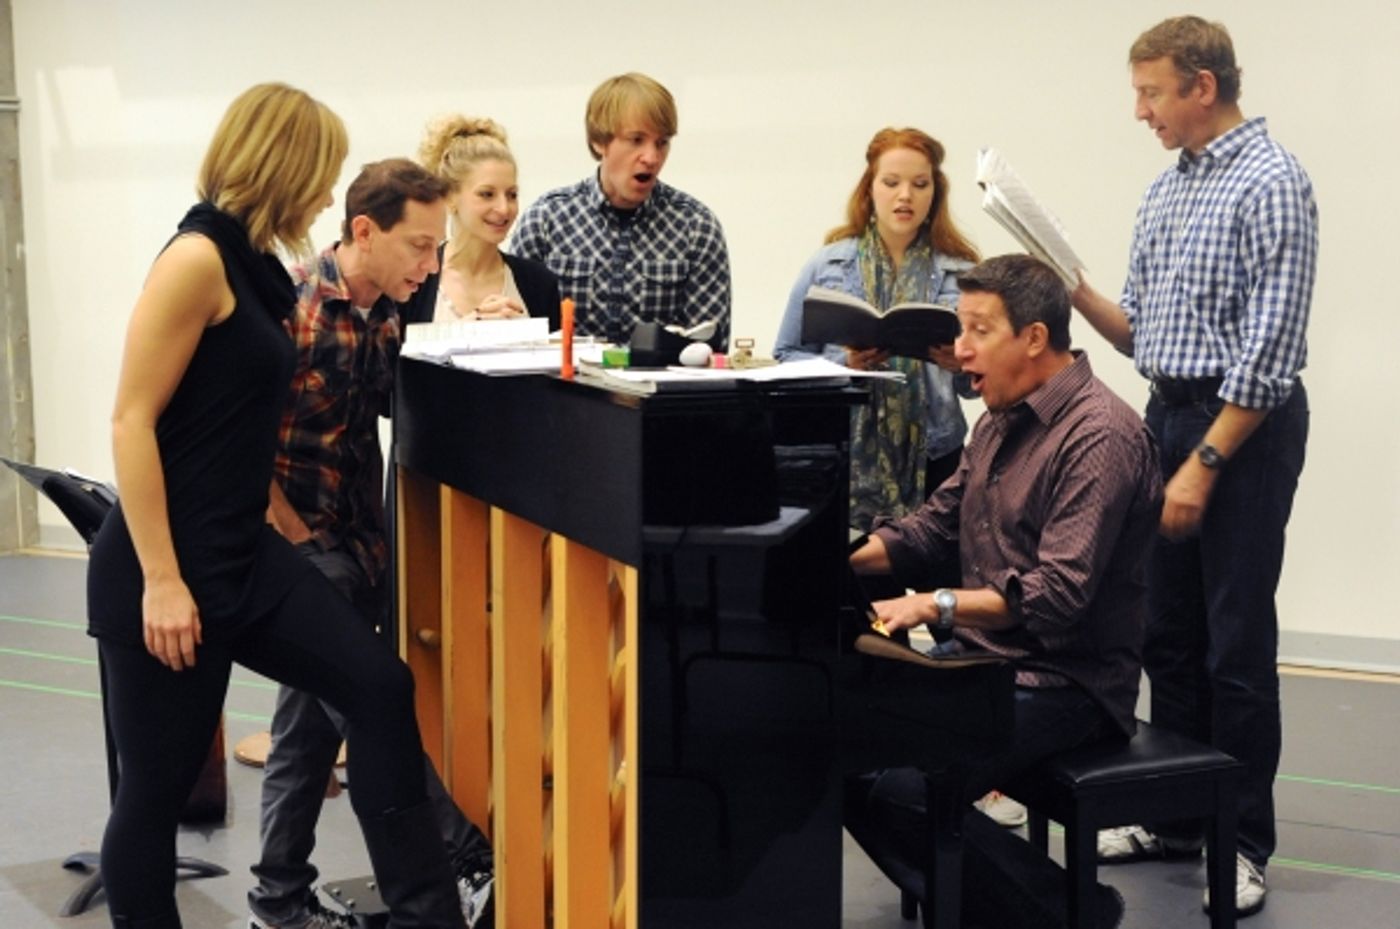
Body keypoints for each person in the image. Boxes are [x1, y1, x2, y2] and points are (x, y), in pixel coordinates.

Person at [85, 84, 465, 929]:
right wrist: (161, 581)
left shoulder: (255, 266)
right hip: (169, 567)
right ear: (281, 164)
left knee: (378, 686)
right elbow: (130, 420)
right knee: (152, 798)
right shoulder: (195, 259)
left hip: (243, 555)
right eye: (322, 173)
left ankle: (428, 914)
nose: (330, 194)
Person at [1070, 16, 1317, 918]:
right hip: (1168, 413)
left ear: (1201, 86)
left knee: (1235, 645)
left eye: (1151, 93)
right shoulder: (1167, 190)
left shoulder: (1272, 183)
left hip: (1238, 431)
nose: (1140, 111)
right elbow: (1144, 332)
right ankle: (1177, 814)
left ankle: (1244, 839)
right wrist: (1072, 284)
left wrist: (1206, 460)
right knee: (1166, 632)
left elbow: (1272, 349)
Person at [845, 254, 1161, 928]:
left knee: (902, 784)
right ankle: (1005, 904)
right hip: (985, 661)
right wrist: (842, 558)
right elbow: (934, 526)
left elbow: (1058, 594)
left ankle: (1071, 912)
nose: (958, 351)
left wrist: (933, 603)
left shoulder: (1100, 435)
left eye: (977, 331)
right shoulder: (997, 419)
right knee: (844, 749)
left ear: (1035, 338)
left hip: (1066, 681)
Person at [251, 159, 495, 929]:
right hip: (303, 553)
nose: (430, 265)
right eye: (420, 247)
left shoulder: (383, 312)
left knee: (305, 732)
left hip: (359, 548)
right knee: (374, 707)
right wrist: (292, 538)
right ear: (364, 230)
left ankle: (276, 901)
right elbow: (234, 435)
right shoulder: (290, 304)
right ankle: (463, 851)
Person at [772, 126, 980, 532]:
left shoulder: (963, 274)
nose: (906, 196)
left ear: (935, 193)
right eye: (892, 182)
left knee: (935, 576)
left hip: (937, 451)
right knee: (861, 583)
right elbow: (785, 356)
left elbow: (981, 384)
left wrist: (963, 363)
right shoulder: (827, 266)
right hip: (849, 449)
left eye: (920, 184)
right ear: (870, 189)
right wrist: (842, 362)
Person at [510, 72, 731, 348]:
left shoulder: (696, 227)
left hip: (656, 388)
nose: (651, 158)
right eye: (636, 140)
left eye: (662, 142)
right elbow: (517, 338)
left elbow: (708, 345)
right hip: (564, 388)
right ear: (599, 142)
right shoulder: (545, 220)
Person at [406, 115, 560, 329]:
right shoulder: (415, 280)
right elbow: (395, 360)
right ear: (449, 196)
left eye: (512, 194)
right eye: (487, 194)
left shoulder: (539, 283)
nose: (504, 208)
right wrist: (468, 330)